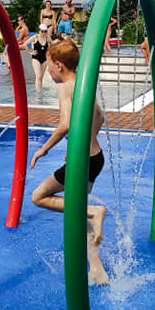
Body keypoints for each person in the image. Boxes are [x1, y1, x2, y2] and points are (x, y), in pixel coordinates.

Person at [29, 39, 109, 285]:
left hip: (82, 161)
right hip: (95, 158)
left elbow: (64, 124)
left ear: (59, 65)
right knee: (75, 216)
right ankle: (96, 270)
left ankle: (94, 211)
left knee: (38, 196)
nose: (47, 70)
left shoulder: (65, 87)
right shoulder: (84, 86)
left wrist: (42, 149)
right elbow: (100, 118)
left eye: (49, 65)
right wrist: (80, 143)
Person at [24, 23, 52, 88]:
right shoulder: (35, 37)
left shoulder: (48, 38)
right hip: (36, 58)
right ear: (39, 30)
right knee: (38, 76)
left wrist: (49, 53)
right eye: (42, 31)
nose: (44, 33)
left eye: (45, 31)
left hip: (44, 58)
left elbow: (53, 45)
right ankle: (38, 93)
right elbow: (25, 44)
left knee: (41, 77)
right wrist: (30, 52)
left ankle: (40, 92)